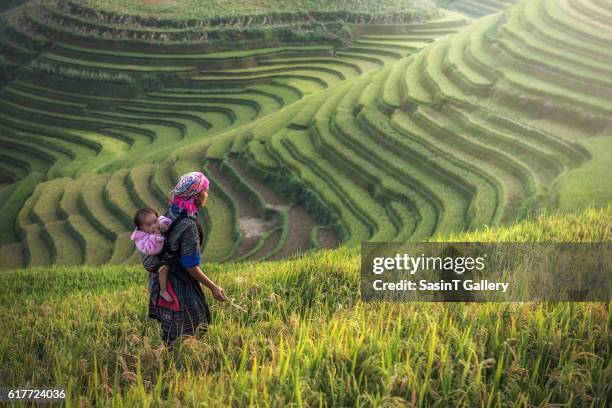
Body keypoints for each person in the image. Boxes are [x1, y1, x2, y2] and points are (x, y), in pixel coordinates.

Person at [143, 171, 228, 347]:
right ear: (195, 196)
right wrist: (213, 287)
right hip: (177, 282)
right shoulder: (189, 225)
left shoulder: (172, 211)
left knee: (172, 330)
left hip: (160, 281)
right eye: (205, 191)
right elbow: (190, 265)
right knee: (195, 326)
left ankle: (168, 358)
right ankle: (176, 364)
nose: (207, 195)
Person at [131, 208, 174, 302]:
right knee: (164, 268)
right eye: (149, 225)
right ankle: (163, 291)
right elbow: (154, 250)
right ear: (141, 228)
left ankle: (153, 289)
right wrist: (157, 237)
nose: (154, 225)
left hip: (157, 258)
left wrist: (164, 224)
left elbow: (163, 220)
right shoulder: (140, 239)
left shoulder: (157, 223)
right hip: (150, 262)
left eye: (155, 221)